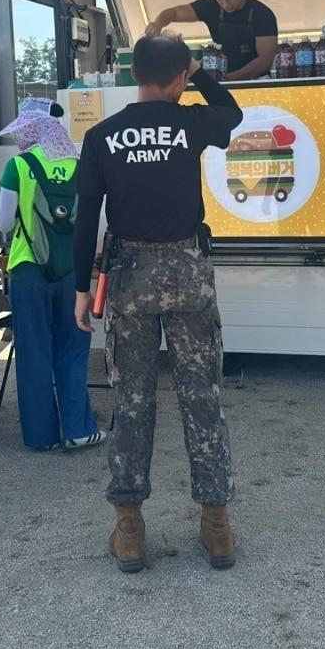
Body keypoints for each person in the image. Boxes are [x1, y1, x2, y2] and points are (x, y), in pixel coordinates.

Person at [73, 34, 244, 572]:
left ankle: (130, 532)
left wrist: (82, 287)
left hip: (129, 280)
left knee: (132, 402)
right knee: (202, 398)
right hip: (188, 274)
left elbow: (85, 215)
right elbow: (233, 114)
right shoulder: (191, 123)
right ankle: (216, 528)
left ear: (133, 74)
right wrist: (200, 72)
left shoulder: (102, 135)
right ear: (180, 77)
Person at [0, 97, 104, 452]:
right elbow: (95, 222)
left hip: (28, 270)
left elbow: (3, 223)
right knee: (73, 349)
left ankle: (41, 436)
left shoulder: (18, 165)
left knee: (33, 352)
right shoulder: (81, 165)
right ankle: (78, 429)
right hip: (73, 271)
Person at [145, 0, 278, 80]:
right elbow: (173, 13)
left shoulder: (262, 14)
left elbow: (265, 60)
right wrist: (158, 23)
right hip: (221, 77)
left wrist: (230, 78)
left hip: (256, 81)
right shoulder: (210, 7)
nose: (225, 4)